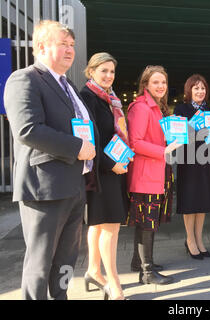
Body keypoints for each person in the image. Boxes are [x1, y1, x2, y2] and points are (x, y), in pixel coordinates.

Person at [3, 20, 98, 299]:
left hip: (74, 184)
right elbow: (27, 130)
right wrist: (77, 147)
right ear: (42, 47)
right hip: (45, 188)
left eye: (72, 45)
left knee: (66, 260)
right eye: (63, 44)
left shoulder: (67, 84)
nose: (70, 50)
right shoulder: (25, 78)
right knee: (40, 263)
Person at [80, 52, 129, 299]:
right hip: (102, 170)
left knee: (99, 224)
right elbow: (88, 138)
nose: (109, 75)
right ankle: (113, 283)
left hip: (110, 168)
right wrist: (112, 164)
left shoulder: (111, 99)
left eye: (112, 71)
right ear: (91, 71)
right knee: (110, 226)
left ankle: (92, 271)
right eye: (104, 71)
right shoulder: (87, 97)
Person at [127, 65, 180, 285]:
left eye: (163, 82)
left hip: (155, 172)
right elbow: (135, 142)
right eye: (155, 82)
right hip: (145, 174)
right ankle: (147, 272)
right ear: (146, 84)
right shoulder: (141, 107)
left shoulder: (157, 107)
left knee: (147, 222)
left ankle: (139, 262)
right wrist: (164, 150)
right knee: (147, 223)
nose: (160, 86)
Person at [174, 74, 210, 259]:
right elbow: (176, 138)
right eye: (196, 88)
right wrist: (192, 128)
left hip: (206, 161)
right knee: (190, 202)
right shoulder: (181, 109)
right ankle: (190, 240)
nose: (200, 91)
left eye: (203, 88)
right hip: (188, 161)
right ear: (189, 90)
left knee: (202, 202)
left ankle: (199, 240)